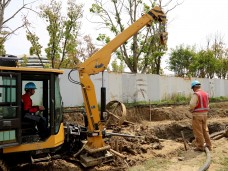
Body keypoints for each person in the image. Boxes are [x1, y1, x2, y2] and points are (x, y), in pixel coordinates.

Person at [189, 80, 212, 151]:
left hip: (197, 115)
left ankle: (200, 146)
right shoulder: (206, 94)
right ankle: (208, 145)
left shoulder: (196, 94)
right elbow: (207, 104)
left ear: (193, 87)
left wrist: (191, 109)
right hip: (205, 115)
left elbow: (192, 104)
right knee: (205, 130)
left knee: (198, 131)